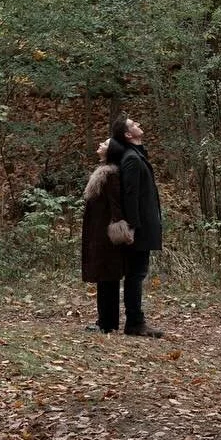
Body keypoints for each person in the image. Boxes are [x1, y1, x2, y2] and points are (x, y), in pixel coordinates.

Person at [106, 112, 164, 338]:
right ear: (128, 135)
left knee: (137, 273)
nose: (138, 124)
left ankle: (135, 321)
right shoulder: (131, 158)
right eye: (133, 124)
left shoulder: (137, 155)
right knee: (136, 274)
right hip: (139, 227)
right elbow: (130, 196)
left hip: (143, 224)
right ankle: (135, 322)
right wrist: (131, 226)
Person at [81, 139, 131, 332]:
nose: (101, 144)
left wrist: (119, 230)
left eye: (105, 143)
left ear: (111, 151)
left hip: (106, 235)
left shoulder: (110, 175)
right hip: (99, 231)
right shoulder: (105, 172)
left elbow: (116, 204)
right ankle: (106, 321)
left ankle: (107, 323)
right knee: (105, 277)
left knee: (108, 277)